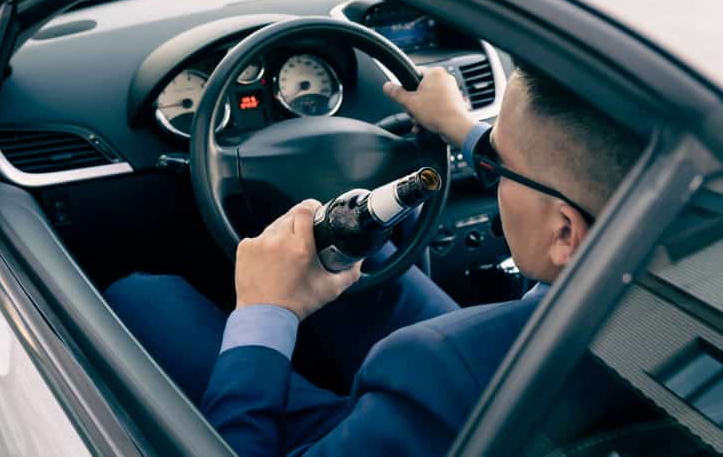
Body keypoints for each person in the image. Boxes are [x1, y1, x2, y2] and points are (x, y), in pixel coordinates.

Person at [105, 64, 645, 456]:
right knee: (368, 256)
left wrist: (265, 311)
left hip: (451, 418)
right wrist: (460, 127)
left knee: (144, 297)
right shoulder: (679, 235)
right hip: (545, 396)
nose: (490, 173)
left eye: (499, 166)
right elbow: (589, 171)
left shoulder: (436, 365)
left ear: (565, 232)